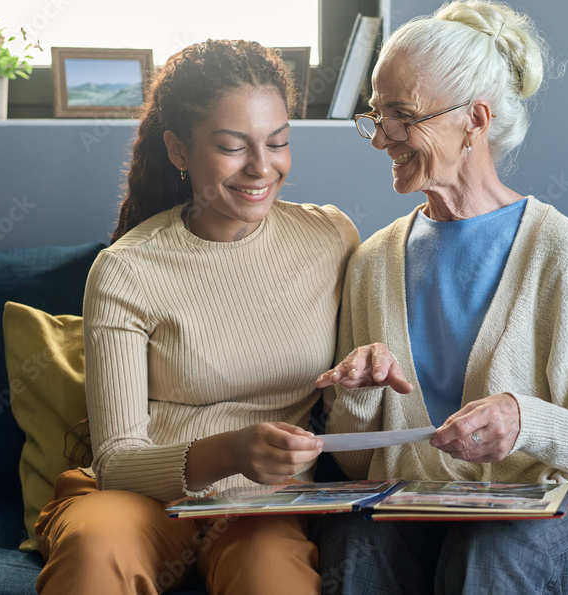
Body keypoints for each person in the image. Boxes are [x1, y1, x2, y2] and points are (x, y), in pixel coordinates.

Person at [315, 0, 568, 593]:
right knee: (354, 539)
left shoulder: (558, 249)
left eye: (403, 115)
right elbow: (354, 466)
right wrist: (362, 398)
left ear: (474, 119)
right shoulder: (373, 262)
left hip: (566, 513)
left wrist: (525, 421)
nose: (380, 139)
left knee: (494, 549)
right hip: (424, 513)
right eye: (376, 114)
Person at [34, 39, 359, 594]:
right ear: (178, 150)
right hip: (136, 499)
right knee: (97, 550)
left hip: (263, 508)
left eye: (278, 142)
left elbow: (359, 395)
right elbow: (116, 461)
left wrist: (369, 368)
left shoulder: (331, 239)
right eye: (233, 147)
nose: (262, 167)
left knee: (270, 578)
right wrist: (231, 451)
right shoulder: (126, 270)